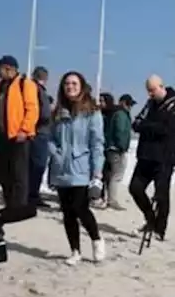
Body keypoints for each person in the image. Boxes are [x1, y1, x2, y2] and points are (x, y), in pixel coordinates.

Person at [47, 72, 106, 264]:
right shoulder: (57, 112)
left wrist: (97, 172)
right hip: (61, 167)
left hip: (81, 167)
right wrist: (54, 152)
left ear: (81, 85)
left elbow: (97, 144)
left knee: (80, 207)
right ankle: (75, 251)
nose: (70, 86)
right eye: (66, 83)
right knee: (67, 212)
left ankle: (96, 239)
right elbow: (49, 138)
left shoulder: (92, 111)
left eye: (74, 83)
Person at [0, 56, 40, 209]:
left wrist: (24, 130)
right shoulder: (1, 86)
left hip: (18, 137)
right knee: (5, 173)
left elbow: (32, 109)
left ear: (9, 68)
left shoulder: (25, 84)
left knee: (19, 174)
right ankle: (9, 204)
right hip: (1, 138)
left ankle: (19, 206)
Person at [128, 76, 175, 240]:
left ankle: (159, 230)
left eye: (153, 90)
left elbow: (170, 129)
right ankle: (150, 220)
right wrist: (151, 127)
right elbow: (136, 124)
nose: (150, 94)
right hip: (145, 156)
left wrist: (148, 127)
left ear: (161, 87)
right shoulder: (149, 104)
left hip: (164, 159)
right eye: (148, 91)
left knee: (161, 195)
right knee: (135, 188)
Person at [100, 93, 134, 209]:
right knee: (117, 175)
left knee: (109, 174)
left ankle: (106, 198)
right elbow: (120, 131)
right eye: (129, 104)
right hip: (116, 149)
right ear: (124, 103)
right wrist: (122, 146)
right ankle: (112, 200)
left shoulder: (115, 113)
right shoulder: (121, 114)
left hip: (110, 147)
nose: (130, 107)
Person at [27, 66, 54, 209]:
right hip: (39, 132)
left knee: (33, 165)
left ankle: (31, 194)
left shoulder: (33, 89)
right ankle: (32, 195)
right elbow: (43, 113)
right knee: (38, 165)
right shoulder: (38, 90)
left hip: (36, 132)